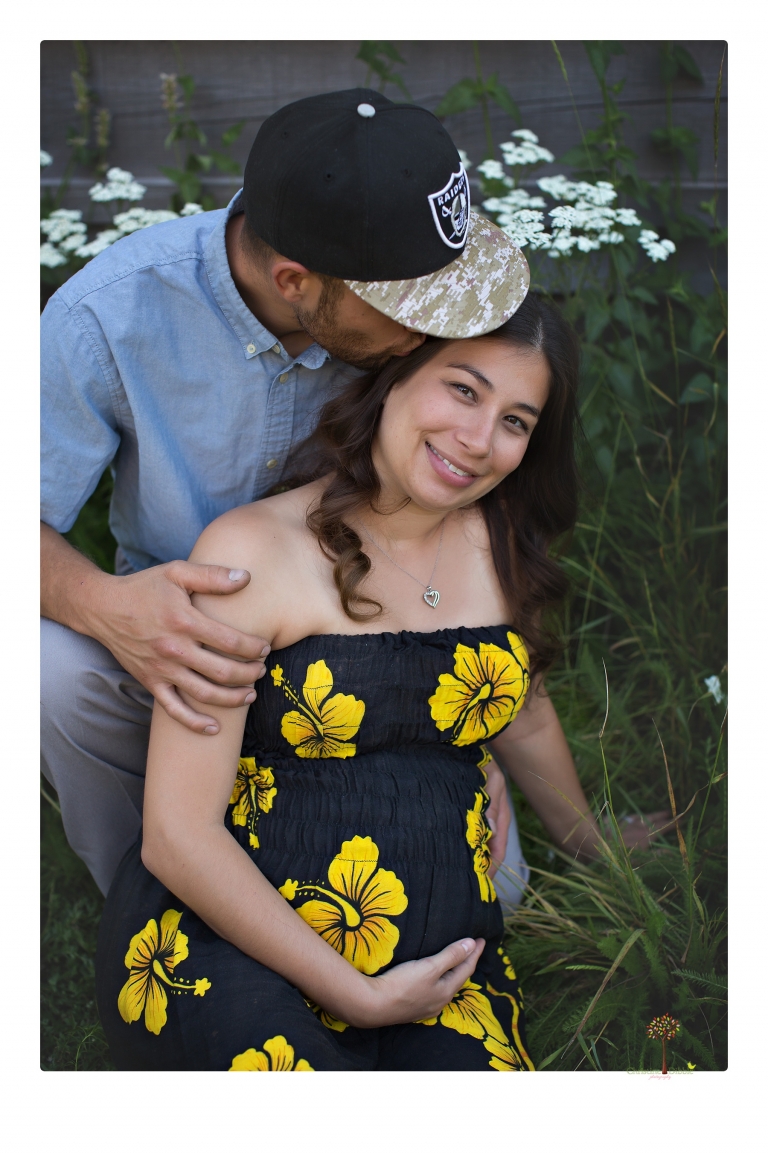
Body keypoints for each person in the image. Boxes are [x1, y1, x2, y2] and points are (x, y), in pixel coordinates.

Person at [96, 291, 613, 1072]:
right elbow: (178, 835)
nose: (477, 440)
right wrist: (358, 995)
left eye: (515, 421)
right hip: (235, 943)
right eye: (464, 390)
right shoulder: (254, 554)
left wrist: (594, 846)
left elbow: (523, 712)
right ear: (395, 373)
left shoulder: (499, 543)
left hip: (441, 962)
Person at [40, 87, 532, 901]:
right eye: (404, 308)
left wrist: (463, 726)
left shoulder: (411, 293)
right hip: (192, 657)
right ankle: (148, 895)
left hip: (377, 654)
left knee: (494, 903)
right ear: (296, 279)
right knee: (47, 667)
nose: (431, 331)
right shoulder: (107, 314)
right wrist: (103, 605)